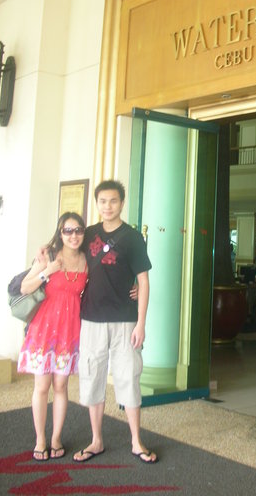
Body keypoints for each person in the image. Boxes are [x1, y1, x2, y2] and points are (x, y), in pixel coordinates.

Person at [73, 179, 157, 464]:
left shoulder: (132, 238)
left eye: (113, 201)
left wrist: (141, 323)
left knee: (129, 377)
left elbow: (143, 281)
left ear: (121, 203)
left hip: (125, 320)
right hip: (91, 318)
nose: (107, 206)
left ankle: (136, 441)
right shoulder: (88, 234)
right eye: (102, 201)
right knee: (92, 376)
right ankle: (96, 440)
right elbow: (66, 251)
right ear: (96, 204)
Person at [17, 212, 88, 462]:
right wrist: (47, 271)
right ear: (60, 233)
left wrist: (132, 288)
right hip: (44, 329)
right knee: (42, 386)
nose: (73, 235)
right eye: (68, 231)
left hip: (69, 331)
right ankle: (40, 439)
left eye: (78, 230)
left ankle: (56, 437)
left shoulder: (86, 260)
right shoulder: (48, 256)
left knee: (61, 386)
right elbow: (25, 287)